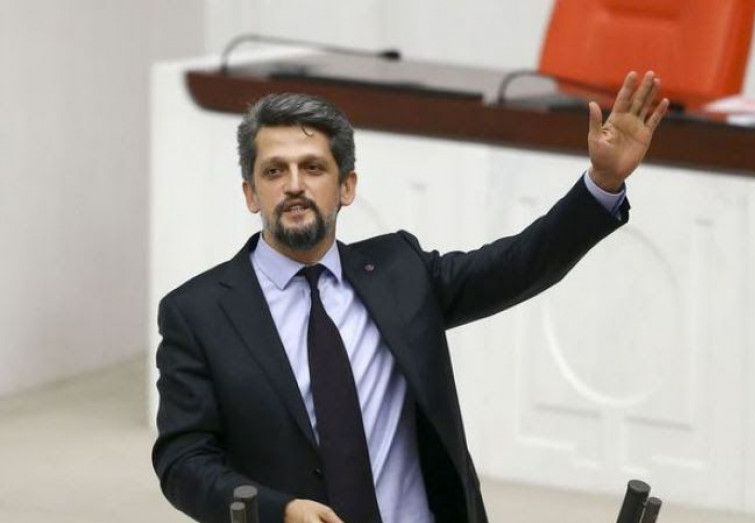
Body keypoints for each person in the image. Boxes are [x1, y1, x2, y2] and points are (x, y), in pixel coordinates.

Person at [152, 71, 669, 523]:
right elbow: (183, 461)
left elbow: (518, 265)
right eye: (273, 171)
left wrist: (602, 182)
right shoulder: (197, 313)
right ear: (250, 193)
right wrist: (278, 510)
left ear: (346, 187)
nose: (294, 185)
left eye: (313, 168)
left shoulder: (400, 272)